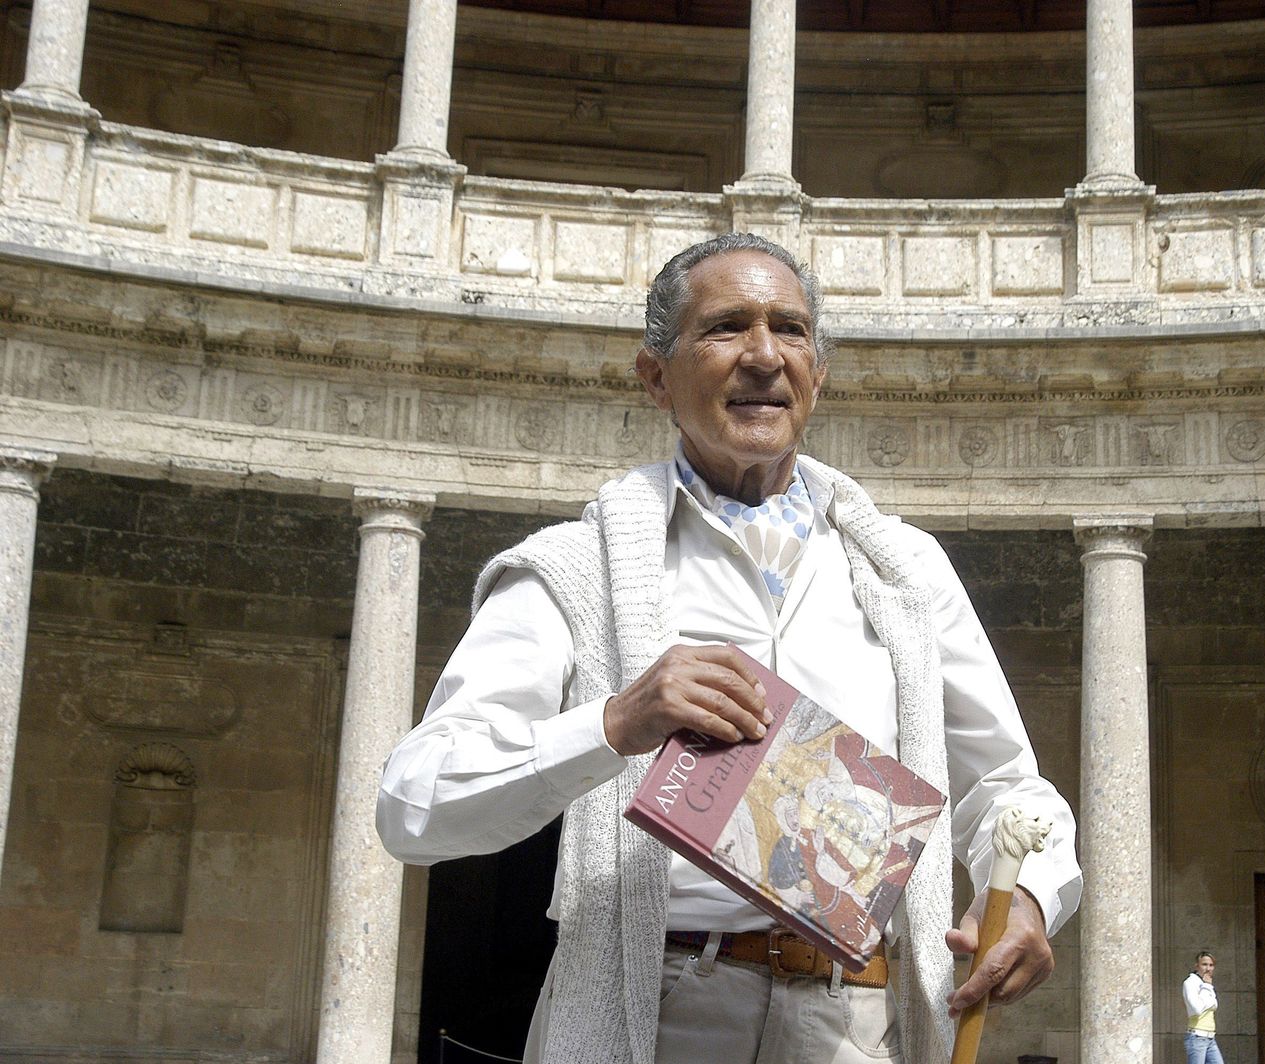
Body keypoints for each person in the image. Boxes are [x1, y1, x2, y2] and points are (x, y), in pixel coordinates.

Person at [376, 232, 1082, 1064]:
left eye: (790, 329)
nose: (763, 356)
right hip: (663, 1010)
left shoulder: (907, 572)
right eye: (724, 328)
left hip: (855, 1020)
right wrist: (612, 724)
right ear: (654, 376)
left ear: (818, 374)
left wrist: (1031, 899)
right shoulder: (573, 570)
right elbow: (413, 805)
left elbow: (1008, 789)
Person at [1182, 951, 1223, 1064]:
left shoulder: (1206, 983)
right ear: (1197, 966)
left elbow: (1214, 1005)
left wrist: (1207, 987)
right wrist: (1206, 987)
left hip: (1210, 1037)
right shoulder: (1190, 982)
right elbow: (1197, 1008)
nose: (1208, 968)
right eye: (1204, 964)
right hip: (1197, 1036)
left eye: (1211, 965)